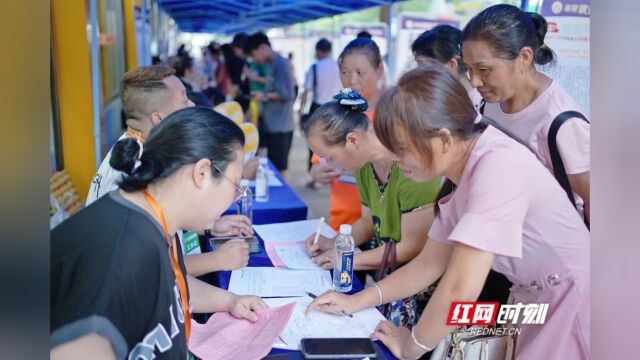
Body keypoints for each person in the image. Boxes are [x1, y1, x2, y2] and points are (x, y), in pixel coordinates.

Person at [306, 65, 589, 360]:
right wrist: (355, 301)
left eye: (402, 148)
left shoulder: (496, 167)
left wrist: (411, 346)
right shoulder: (461, 170)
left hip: (571, 301)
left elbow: (460, 288)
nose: (397, 159)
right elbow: (428, 264)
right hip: (534, 300)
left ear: (442, 139)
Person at [51, 107, 268, 359]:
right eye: (235, 185)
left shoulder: (153, 220)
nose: (234, 198)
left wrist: (230, 301)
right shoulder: (119, 254)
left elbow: (169, 289)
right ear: (201, 173)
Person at [86, 65, 252, 275]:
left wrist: (210, 225)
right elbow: (146, 268)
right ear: (159, 118)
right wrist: (216, 259)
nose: (192, 104)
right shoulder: (135, 167)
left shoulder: (137, 148)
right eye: (184, 100)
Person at [302, 89, 441, 327]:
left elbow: (411, 247)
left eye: (330, 157)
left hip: (418, 285)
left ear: (352, 140)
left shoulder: (411, 169)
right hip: (388, 275)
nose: (327, 165)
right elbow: (367, 222)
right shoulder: (365, 165)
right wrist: (335, 242)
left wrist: (346, 260)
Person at [461, 4, 590, 222]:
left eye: (484, 70)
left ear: (524, 58)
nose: (475, 81)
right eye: (469, 69)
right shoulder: (480, 102)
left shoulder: (562, 123)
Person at [309, 37, 384, 231]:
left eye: (360, 73)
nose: (352, 80)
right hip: (343, 221)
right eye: (344, 72)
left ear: (379, 70)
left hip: (380, 224)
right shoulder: (337, 113)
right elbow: (318, 165)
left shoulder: (390, 118)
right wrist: (318, 173)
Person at [245, 32, 296, 181]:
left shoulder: (280, 63)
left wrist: (264, 96)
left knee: (281, 169)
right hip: (274, 125)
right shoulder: (273, 63)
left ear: (263, 47)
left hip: (281, 126)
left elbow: (287, 94)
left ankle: (289, 201)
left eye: (255, 55)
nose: (257, 60)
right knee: (276, 166)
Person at [299, 38, 342, 183]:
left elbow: (306, 91)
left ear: (318, 51)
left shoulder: (315, 67)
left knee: (315, 143)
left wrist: (301, 110)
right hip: (338, 109)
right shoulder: (340, 66)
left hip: (319, 109)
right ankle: (334, 173)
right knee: (335, 141)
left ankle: (316, 176)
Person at [412, 24, 483, 110]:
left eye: (423, 66)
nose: (418, 73)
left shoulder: (483, 105)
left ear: (451, 65)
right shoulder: (438, 103)